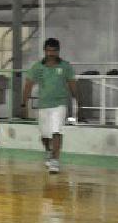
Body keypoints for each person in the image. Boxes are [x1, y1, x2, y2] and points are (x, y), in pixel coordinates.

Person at [21, 38, 77, 174]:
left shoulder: (65, 67)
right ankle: (48, 150)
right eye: (48, 50)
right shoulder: (38, 67)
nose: (51, 53)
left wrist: (78, 102)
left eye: (54, 51)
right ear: (45, 51)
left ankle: (55, 161)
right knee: (45, 135)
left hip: (60, 104)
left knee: (56, 131)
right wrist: (24, 104)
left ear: (58, 51)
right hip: (43, 105)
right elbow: (28, 85)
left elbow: (72, 84)